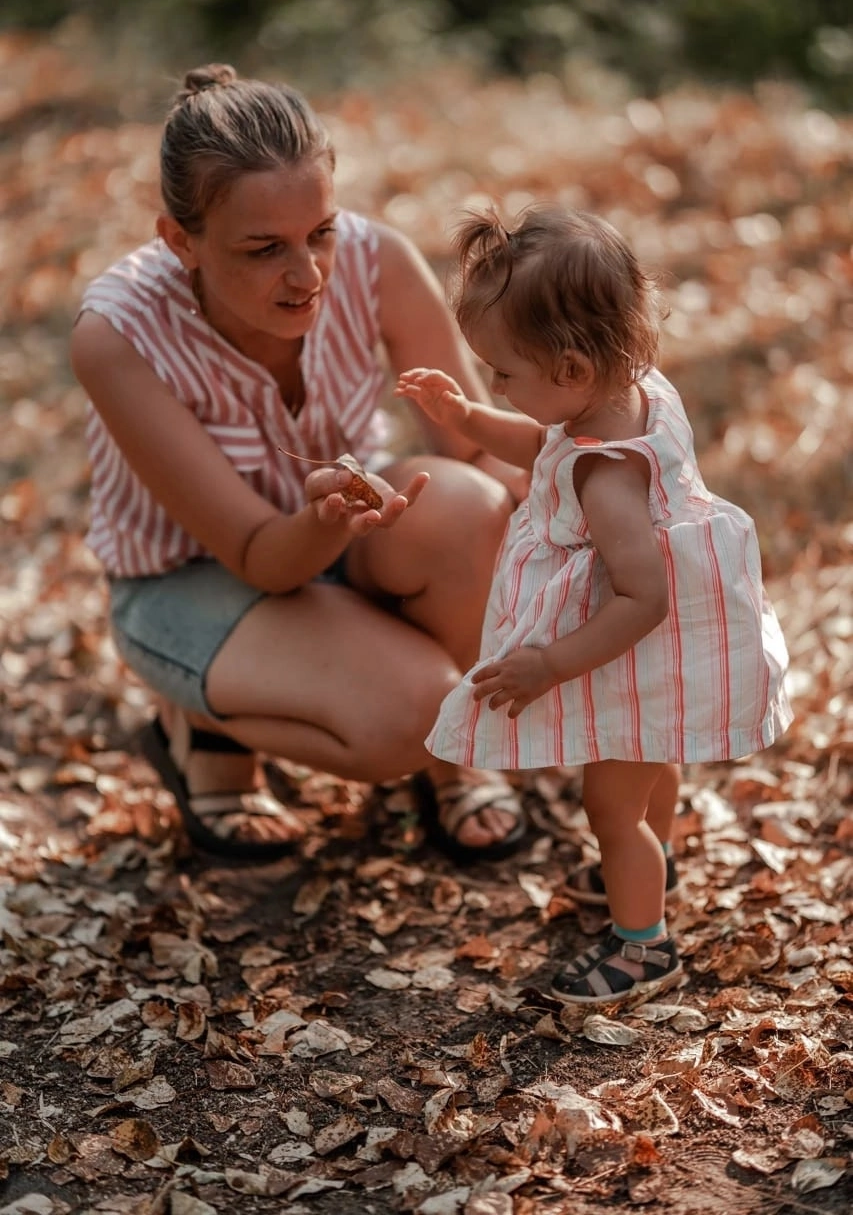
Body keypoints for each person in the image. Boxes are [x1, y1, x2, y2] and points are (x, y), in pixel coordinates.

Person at [70, 63, 531, 865]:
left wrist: (604, 494)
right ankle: (201, 728)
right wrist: (324, 515)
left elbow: (474, 447)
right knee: (411, 717)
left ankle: (455, 750)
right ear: (180, 240)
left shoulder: (376, 261)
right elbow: (259, 558)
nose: (309, 273)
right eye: (263, 249)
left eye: (319, 232)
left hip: (343, 545)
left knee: (466, 506)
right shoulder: (116, 337)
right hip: (191, 580)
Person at [395, 205, 793, 1005]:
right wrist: (468, 418)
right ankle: (654, 860)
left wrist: (549, 664)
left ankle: (642, 947)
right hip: (673, 644)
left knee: (609, 807)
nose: (494, 385)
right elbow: (544, 442)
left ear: (572, 371)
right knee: (651, 765)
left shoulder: (606, 478)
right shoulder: (631, 390)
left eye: (501, 374)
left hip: (633, 641)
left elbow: (640, 599)